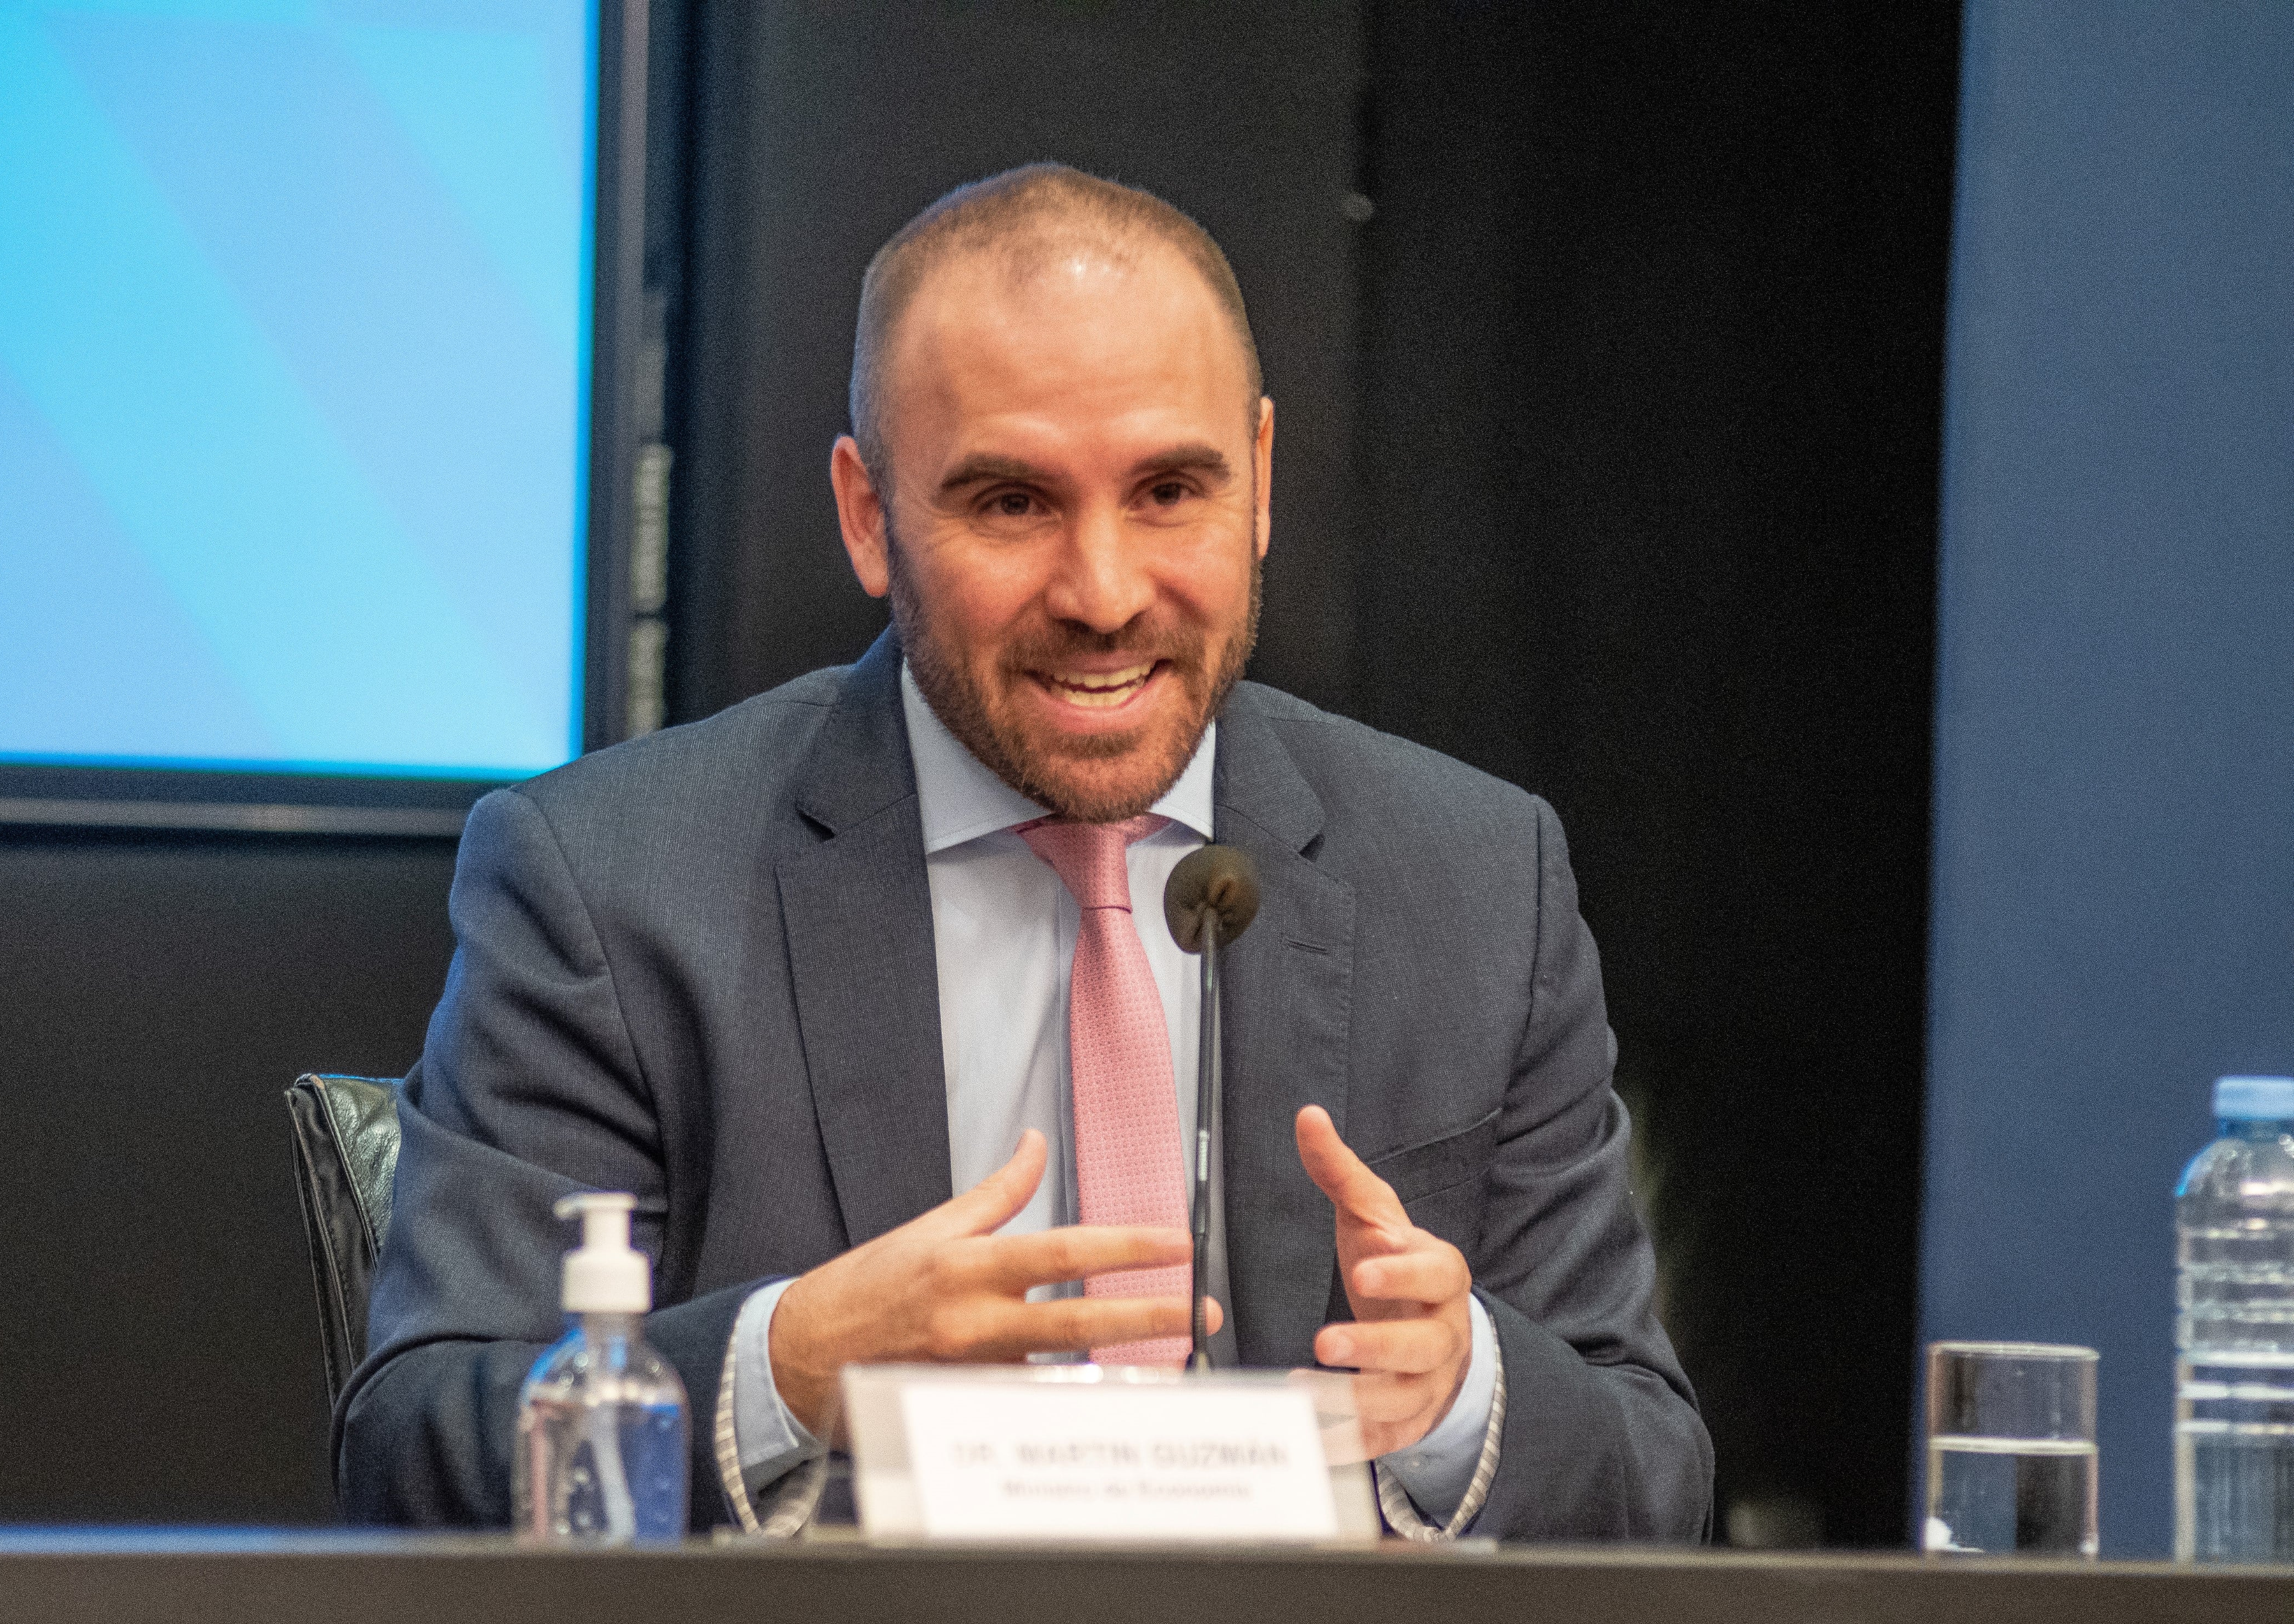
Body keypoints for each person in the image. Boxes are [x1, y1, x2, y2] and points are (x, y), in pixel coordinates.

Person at [339, 163, 1711, 1541]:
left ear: (1264, 484)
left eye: (1172, 489)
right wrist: (791, 1368)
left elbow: (1653, 1474)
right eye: (1011, 504)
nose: (1104, 593)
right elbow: (418, 1453)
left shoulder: (1476, 879)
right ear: (870, 514)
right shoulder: (610, 881)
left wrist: (1463, 1392)